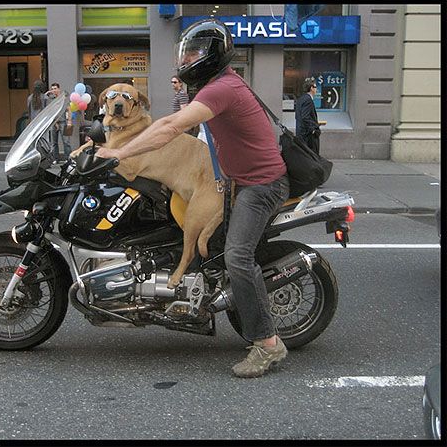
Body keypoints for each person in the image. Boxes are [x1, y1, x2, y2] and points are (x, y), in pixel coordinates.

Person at [96, 19, 290, 378]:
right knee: (210, 245)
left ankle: (267, 344)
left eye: (193, 53)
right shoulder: (216, 86)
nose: (186, 59)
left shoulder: (221, 89)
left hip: (261, 185)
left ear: (212, 56)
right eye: (185, 52)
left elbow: (171, 128)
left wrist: (120, 154)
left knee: (237, 256)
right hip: (236, 180)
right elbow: (163, 123)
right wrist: (119, 143)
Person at [46, 82, 72, 161]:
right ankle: (55, 159)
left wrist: (69, 121)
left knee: (66, 142)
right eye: (52, 89)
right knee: (54, 143)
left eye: (55, 88)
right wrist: (48, 93)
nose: (54, 90)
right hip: (54, 123)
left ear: (59, 89)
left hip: (64, 122)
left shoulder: (64, 98)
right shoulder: (51, 99)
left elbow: (69, 110)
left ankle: (68, 159)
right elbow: (50, 111)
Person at [294, 77, 321, 155]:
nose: (317, 90)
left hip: (301, 134)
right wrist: (313, 130)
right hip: (308, 136)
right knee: (311, 156)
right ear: (311, 88)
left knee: (304, 156)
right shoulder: (308, 100)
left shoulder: (301, 99)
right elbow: (305, 117)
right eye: (316, 87)